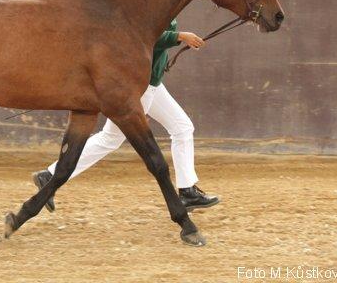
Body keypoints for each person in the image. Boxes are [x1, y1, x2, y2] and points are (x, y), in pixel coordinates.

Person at [33, 19, 219, 212]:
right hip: (141, 86)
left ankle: (187, 191)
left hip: (152, 84)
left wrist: (178, 39)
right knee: (110, 138)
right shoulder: (148, 4)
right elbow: (145, 36)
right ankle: (50, 176)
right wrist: (180, 36)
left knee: (182, 127)